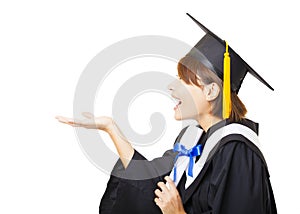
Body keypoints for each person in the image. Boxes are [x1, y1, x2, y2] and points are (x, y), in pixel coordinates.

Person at [56, 13, 277, 214]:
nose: (172, 87)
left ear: (211, 91)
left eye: (184, 80)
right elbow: (150, 187)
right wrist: (111, 128)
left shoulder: (237, 152)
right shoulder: (193, 141)